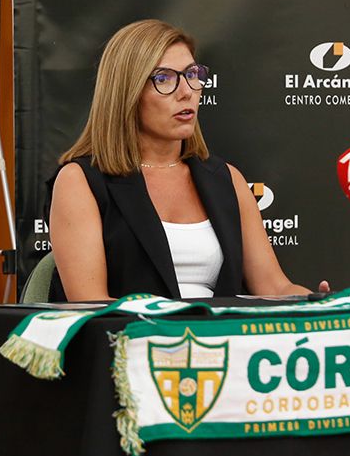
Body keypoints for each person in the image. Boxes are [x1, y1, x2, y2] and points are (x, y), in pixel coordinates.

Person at [47, 19, 327, 300]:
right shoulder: (80, 181)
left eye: (192, 74)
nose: (187, 91)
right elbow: (90, 305)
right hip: (128, 339)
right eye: (164, 78)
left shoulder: (226, 178)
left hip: (219, 339)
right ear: (127, 92)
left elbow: (275, 287)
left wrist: (319, 303)